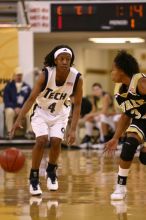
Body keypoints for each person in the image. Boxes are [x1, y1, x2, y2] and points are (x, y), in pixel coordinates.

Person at [10, 45, 83, 196]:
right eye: (61, 59)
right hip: (41, 112)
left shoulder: (77, 78)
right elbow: (31, 99)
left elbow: (78, 104)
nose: (65, 62)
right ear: (55, 60)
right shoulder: (45, 74)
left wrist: (73, 129)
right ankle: (34, 177)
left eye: (68, 59)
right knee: (41, 140)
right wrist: (18, 119)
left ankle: (51, 171)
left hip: (60, 113)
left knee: (56, 141)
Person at [105, 50, 146, 200]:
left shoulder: (140, 82)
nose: (111, 72)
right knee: (129, 145)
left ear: (121, 71)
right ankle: (120, 187)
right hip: (140, 121)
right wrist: (116, 138)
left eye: (113, 69)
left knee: (144, 159)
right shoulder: (119, 89)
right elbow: (126, 114)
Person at [80, 83, 115, 148]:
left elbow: (104, 111)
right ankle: (88, 138)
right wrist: (89, 115)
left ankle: (102, 140)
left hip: (109, 117)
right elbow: (93, 110)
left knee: (100, 118)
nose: (96, 91)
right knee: (89, 119)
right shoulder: (95, 98)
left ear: (101, 89)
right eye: (94, 90)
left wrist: (90, 115)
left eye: (97, 89)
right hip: (100, 117)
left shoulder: (106, 96)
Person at [3, 67, 32, 139]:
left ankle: (29, 132)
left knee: (30, 112)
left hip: (23, 108)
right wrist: (15, 108)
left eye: (20, 75)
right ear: (14, 75)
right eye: (17, 75)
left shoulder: (27, 87)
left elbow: (29, 100)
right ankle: (10, 132)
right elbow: (6, 100)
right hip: (12, 108)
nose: (19, 77)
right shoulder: (8, 86)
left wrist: (22, 108)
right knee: (9, 111)